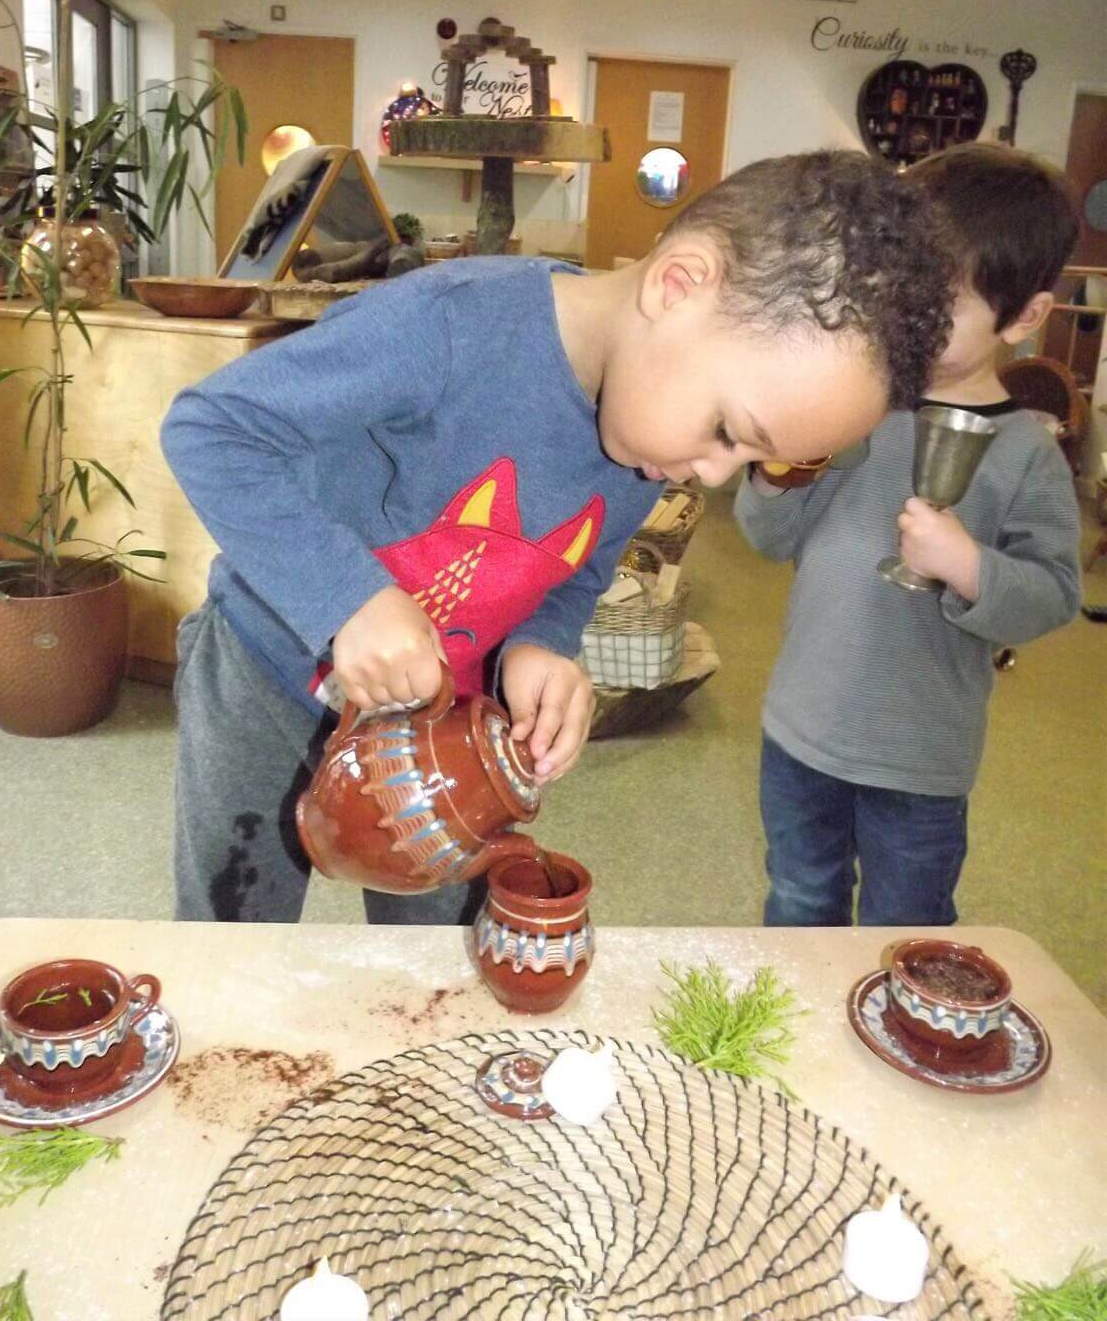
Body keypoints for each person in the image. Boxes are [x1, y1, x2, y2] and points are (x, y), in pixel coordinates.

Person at [161, 150, 952, 925]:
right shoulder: (451, 325)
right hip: (265, 679)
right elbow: (211, 429)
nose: (711, 476)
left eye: (749, 457)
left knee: (442, 948)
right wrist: (349, 601)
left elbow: (581, 563)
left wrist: (541, 644)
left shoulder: (644, 441)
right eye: (726, 431)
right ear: (678, 286)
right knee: (237, 937)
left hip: (445, 720)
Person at [734, 143, 1082, 928]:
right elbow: (765, 538)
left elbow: (1054, 593)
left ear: (1025, 317)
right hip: (801, 729)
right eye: (898, 289)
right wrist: (779, 471)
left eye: (942, 302)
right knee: (798, 899)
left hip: (919, 760)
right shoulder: (858, 405)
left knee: (907, 928)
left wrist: (969, 568)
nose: (908, 318)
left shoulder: (1026, 450)